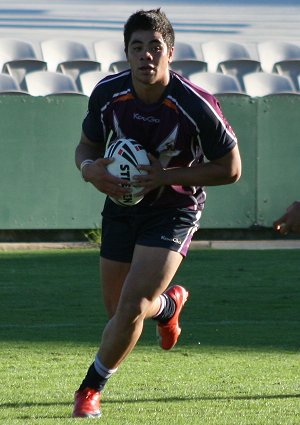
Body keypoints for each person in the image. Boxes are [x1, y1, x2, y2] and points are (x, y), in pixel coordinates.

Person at [73, 8, 242, 419]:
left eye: (155, 47)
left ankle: (89, 389)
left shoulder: (195, 103)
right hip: (122, 205)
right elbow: (86, 149)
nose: (146, 55)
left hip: (174, 208)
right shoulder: (108, 94)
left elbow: (231, 169)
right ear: (126, 53)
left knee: (132, 305)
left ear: (170, 53)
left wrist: (166, 176)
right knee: (118, 312)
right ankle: (168, 306)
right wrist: (89, 171)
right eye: (137, 47)